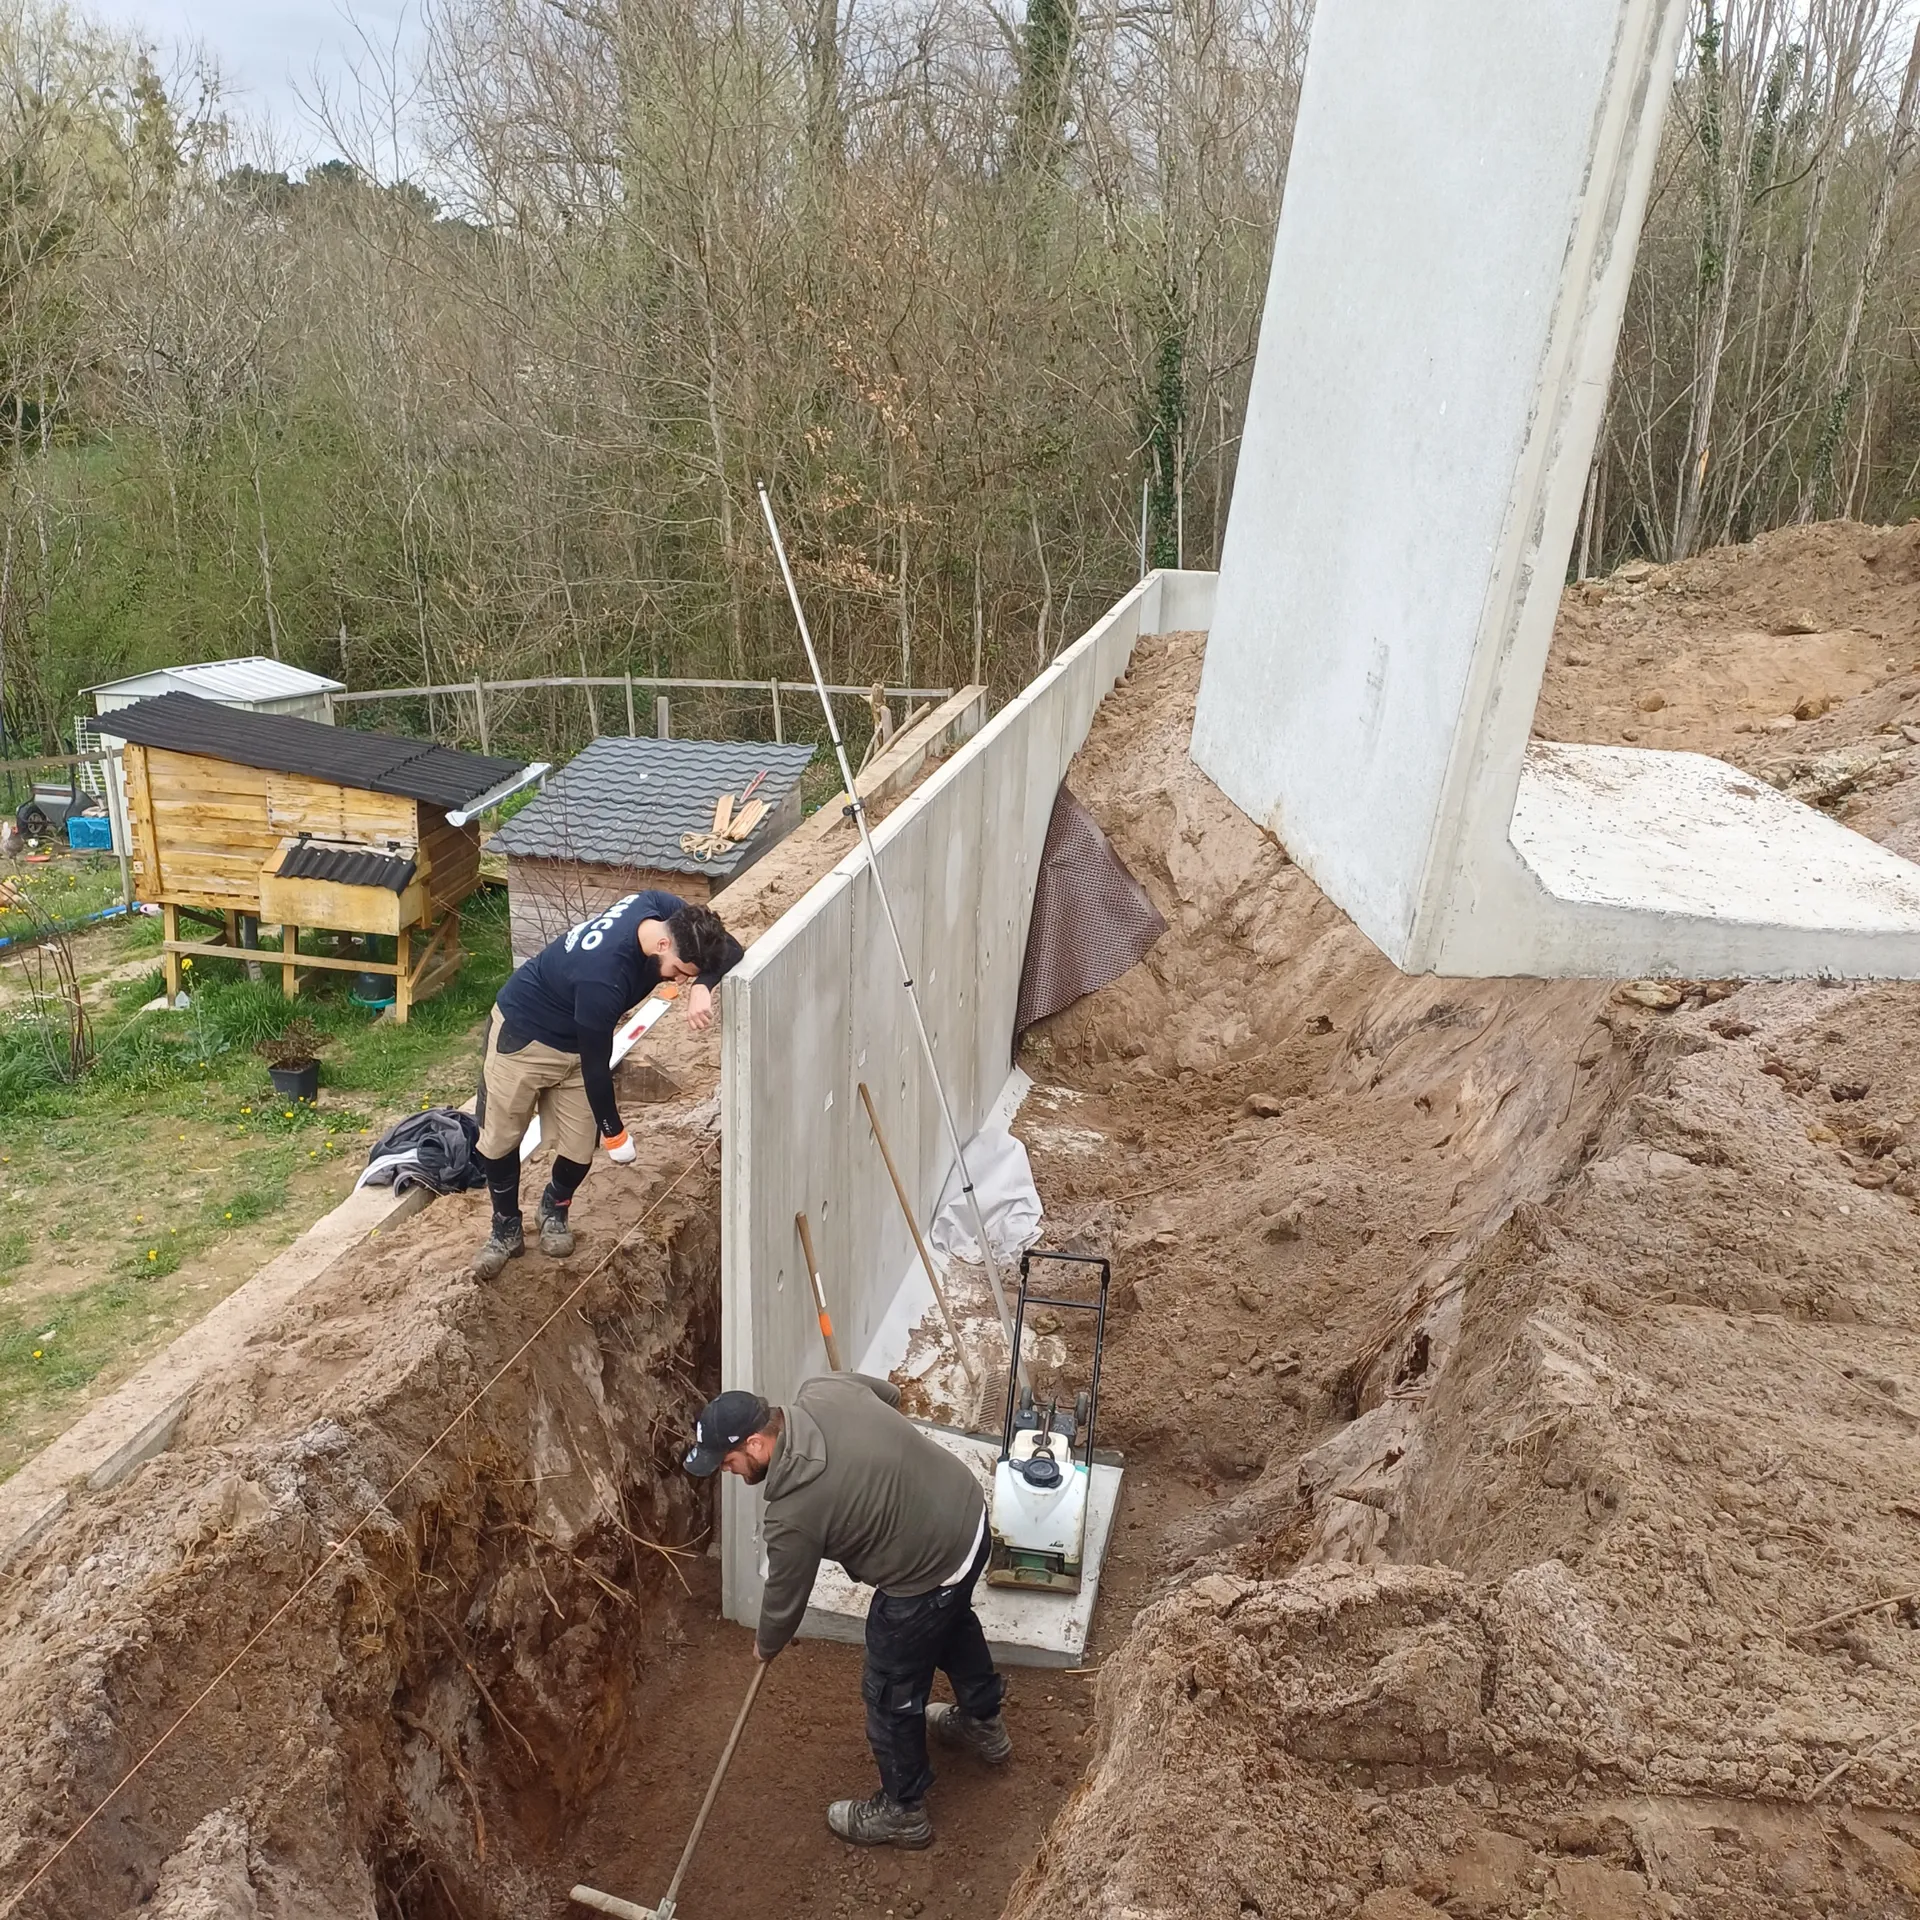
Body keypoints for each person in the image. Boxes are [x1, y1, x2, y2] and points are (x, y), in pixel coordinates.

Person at [683, 1376, 1010, 1849]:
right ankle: (984, 1724)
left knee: (890, 1687)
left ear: (755, 1443)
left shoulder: (792, 1512)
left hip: (926, 1568)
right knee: (951, 1621)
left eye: (727, 1461)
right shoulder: (824, 1389)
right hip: (968, 1516)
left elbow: (786, 1595)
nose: (727, 1471)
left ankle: (903, 1812)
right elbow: (890, 1397)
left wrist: (765, 1644)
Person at [471, 890, 741, 1279]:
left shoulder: (661, 909)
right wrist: (616, 1134)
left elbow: (732, 949)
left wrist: (704, 984)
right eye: (680, 971)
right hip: (525, 1036)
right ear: (663, 945)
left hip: (581, 1037)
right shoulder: (604, 975)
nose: (680, 980)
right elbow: (597, 1067)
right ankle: (505, 1229)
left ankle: (554, 1206)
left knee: (579, 1151)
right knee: (500, 1140)